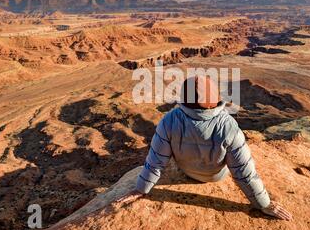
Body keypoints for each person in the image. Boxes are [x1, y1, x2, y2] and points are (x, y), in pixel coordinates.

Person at [118, 75, 292, 221]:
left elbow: (155, 161)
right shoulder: (229, 126)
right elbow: (244, 173)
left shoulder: (169, 120)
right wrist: (264, 204)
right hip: (215, 176)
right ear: (215, 99)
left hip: (186, 171)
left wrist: (141, 189)